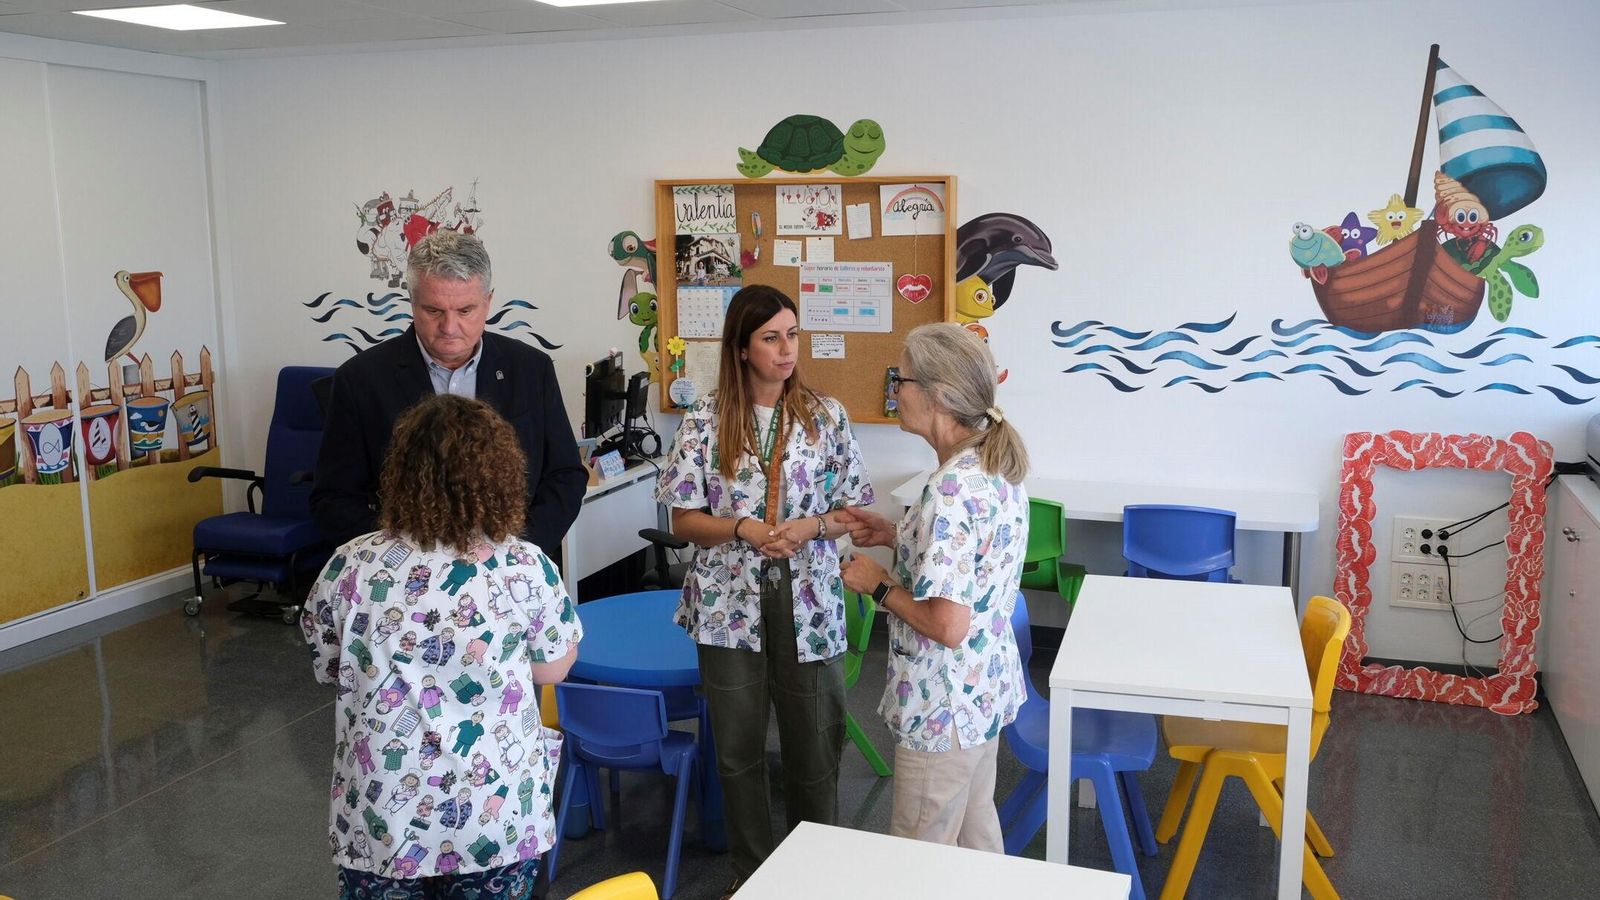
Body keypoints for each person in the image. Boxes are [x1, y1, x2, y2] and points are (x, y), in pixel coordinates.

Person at [303, 394, 581, 898]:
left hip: (383, 816)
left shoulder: (351, 565)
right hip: (494, 816)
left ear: (401, 473)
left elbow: (328, 665)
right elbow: (553, 670)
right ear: (502, 475)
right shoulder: (525, 567)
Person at [655, 284, 874, 896]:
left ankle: (816, 874)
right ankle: (749, 876)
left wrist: (812, 527)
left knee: (815, 743)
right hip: (728, 601)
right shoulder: (704, 420)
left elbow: (853, 509)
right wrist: (743, 529)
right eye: (771, 338)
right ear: (742, 348)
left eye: (793, 335)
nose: (786, 350)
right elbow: (682, 519)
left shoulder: (824, 416)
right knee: (738, 750)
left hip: (810, 597)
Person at [838, 322, 1030, 852]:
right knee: (975, 837)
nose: (894, 390)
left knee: (919, 855)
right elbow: (972, 565)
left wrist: (877, 586)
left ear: (939, 395)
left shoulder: (947, 492)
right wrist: (897, 534)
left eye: (901, 379)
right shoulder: (993, 466)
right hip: (980, 693)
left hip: (942, 705)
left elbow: (947, 624)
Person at [312, 229, 587, 556]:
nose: (449, 328)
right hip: (406, 580)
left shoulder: (531, 369)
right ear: (412, 303)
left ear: (488, 303)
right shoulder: (359, 380)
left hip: (512, 569)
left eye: (465, 311)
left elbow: (565, 476)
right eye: (434, 311)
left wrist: (513, 551)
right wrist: (412, 556)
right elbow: (332, 499)